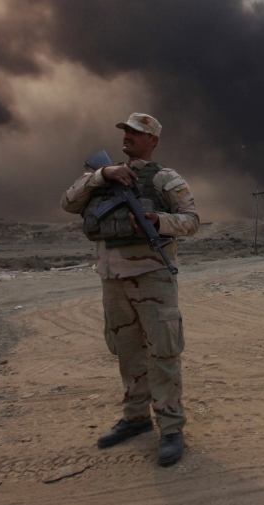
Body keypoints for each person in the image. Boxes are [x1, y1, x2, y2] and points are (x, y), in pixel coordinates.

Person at [61, 113, 199, 466]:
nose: (128, 136)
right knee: (127, 352)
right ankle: (135, 418)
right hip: (113, 279)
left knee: (163, 353)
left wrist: (158, 221)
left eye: (137, 132)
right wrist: (102, 175)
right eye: (126, 131)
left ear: (153, 140)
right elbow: (68, 202)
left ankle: (171, 427)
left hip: (152, 277)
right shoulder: (103, 176)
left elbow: (191, 220)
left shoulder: (166, 178)